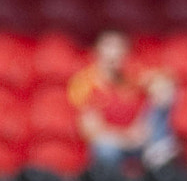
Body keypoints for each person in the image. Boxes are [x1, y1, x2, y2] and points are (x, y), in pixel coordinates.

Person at [67, 29, 176, 171]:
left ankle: (157, 150)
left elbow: (165, 83)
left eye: (118, 49)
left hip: (141, 140)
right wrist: (129, 137)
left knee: (167, 93)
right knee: (105, 148)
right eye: (108, 47)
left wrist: (146, 123)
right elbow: (92, 132)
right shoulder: (84, 83)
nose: (114, 54)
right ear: (96, 52)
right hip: (113, 143)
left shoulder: (131, 75)